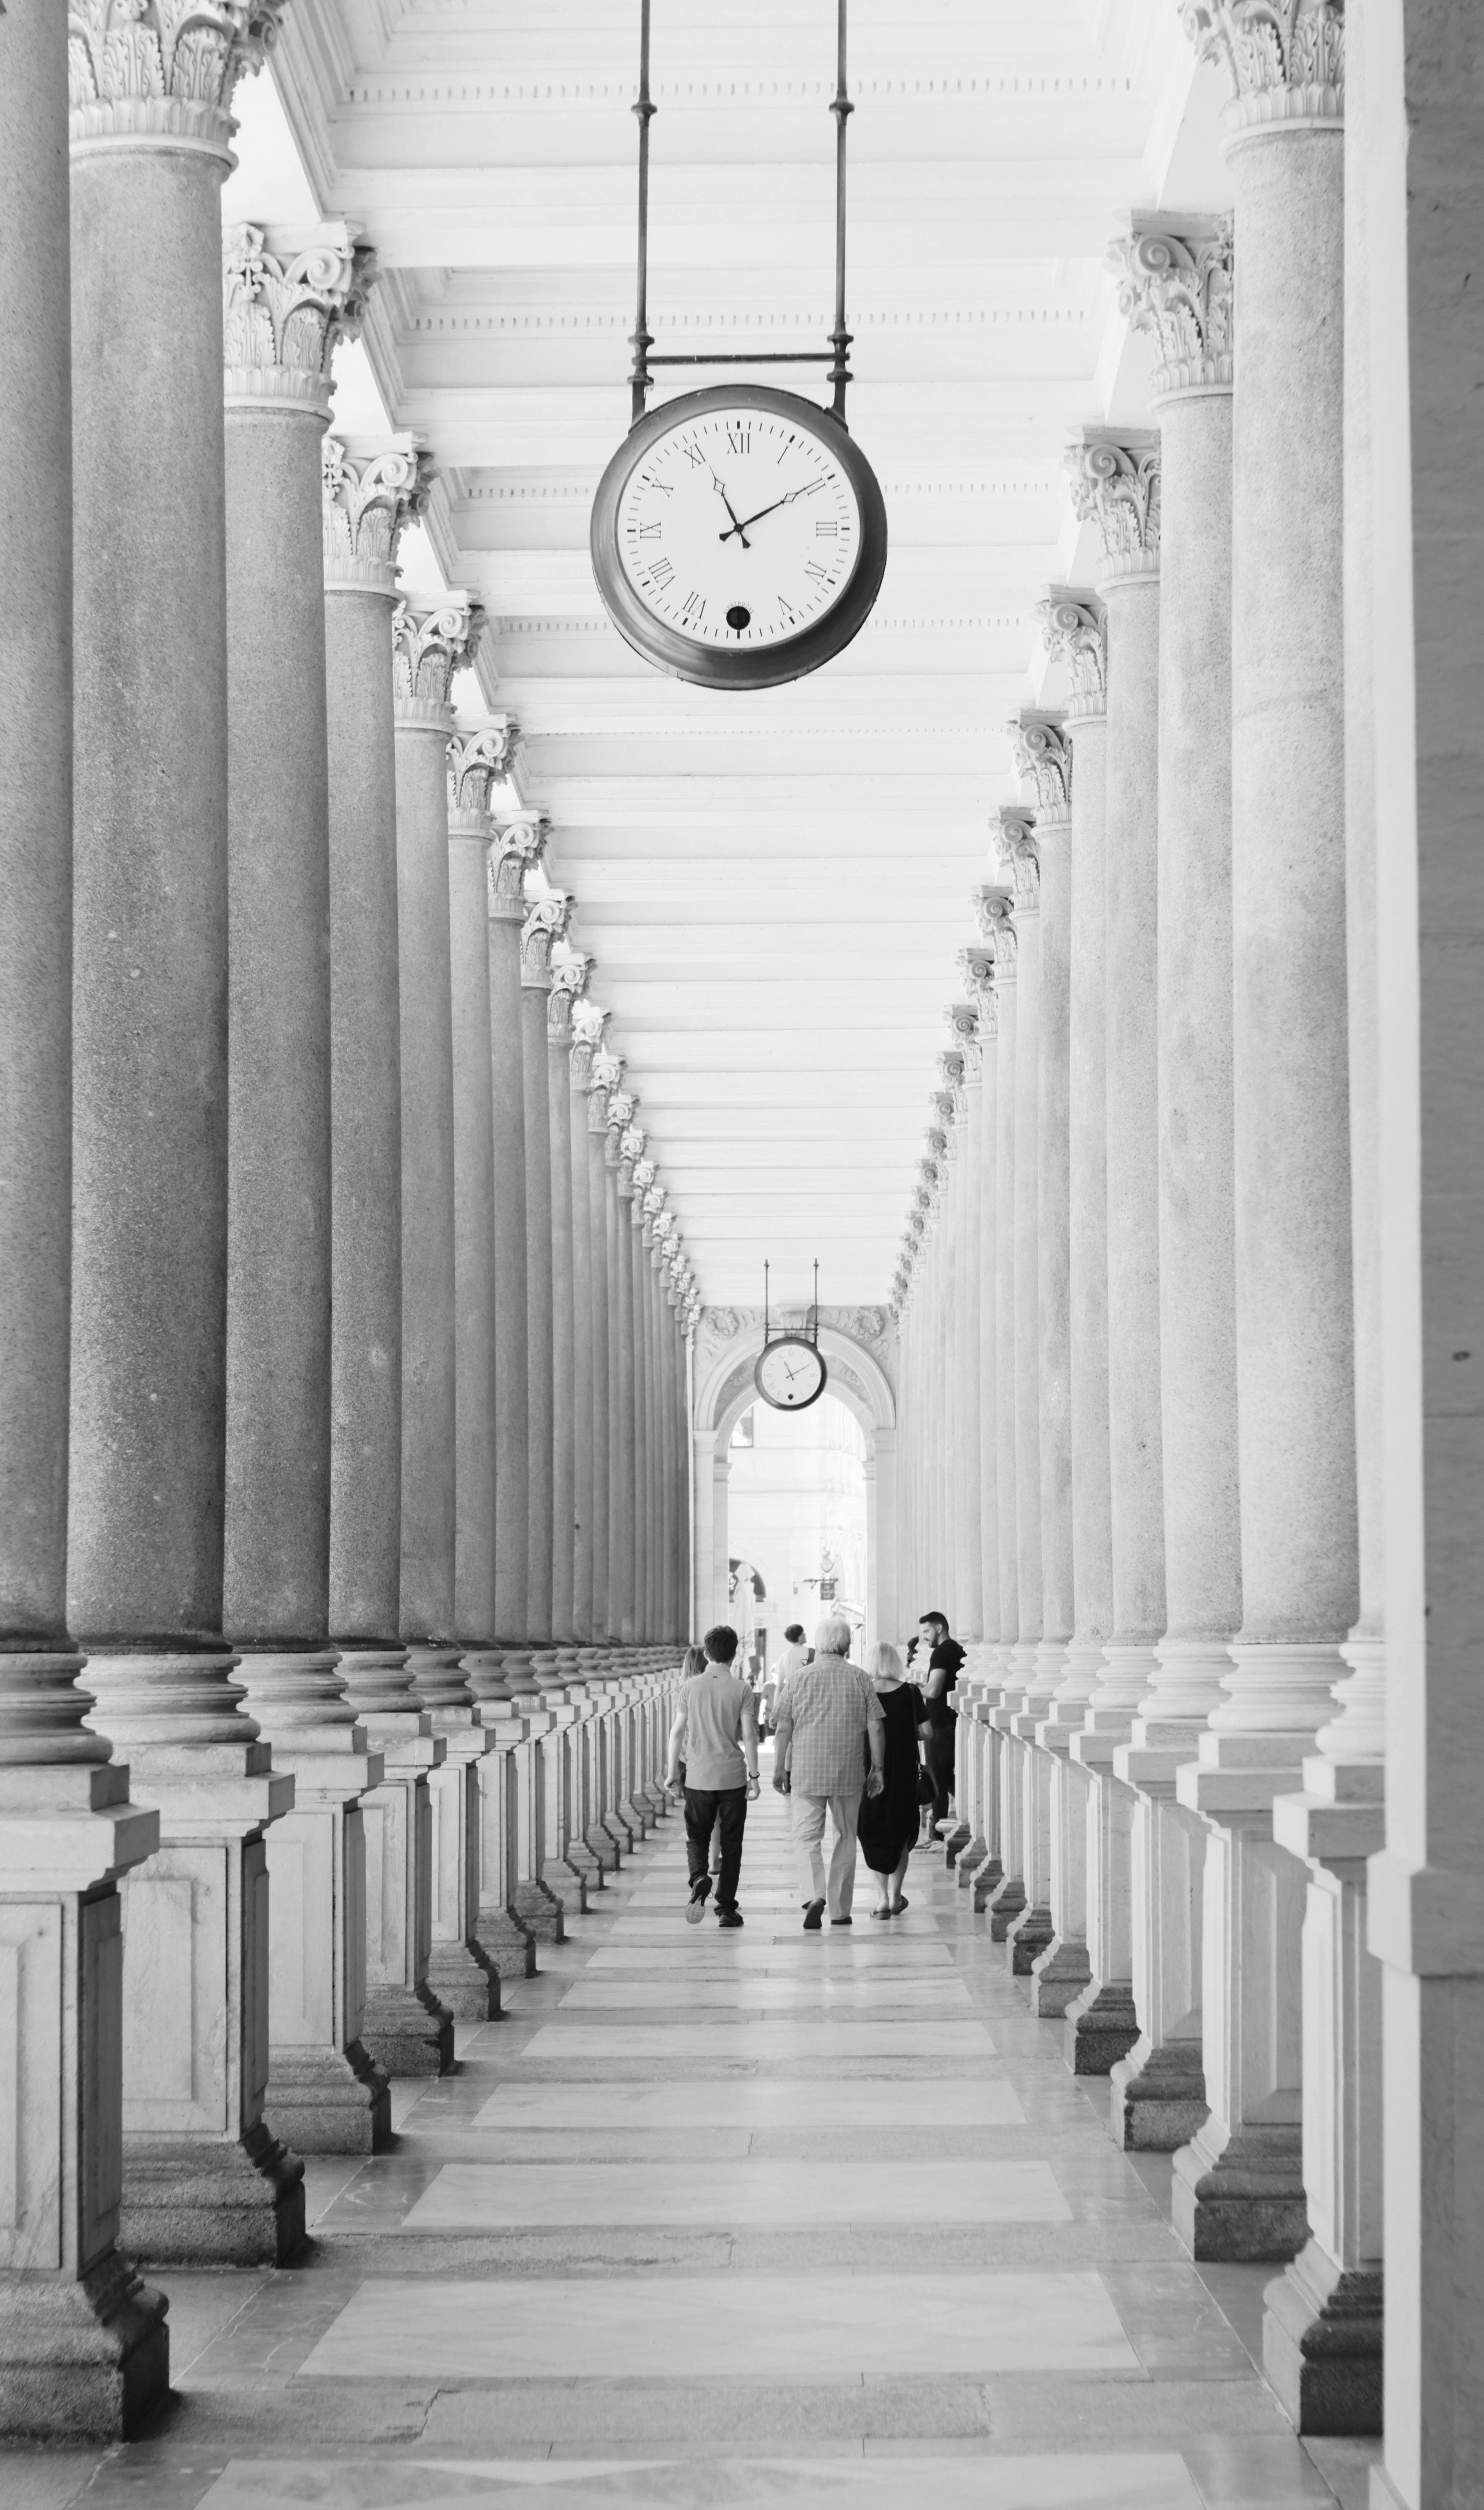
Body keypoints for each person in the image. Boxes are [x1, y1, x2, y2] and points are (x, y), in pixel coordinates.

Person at [772, 1615, 885, 1929]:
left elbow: (783, 1727)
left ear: (818, 1645)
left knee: (806, 1836)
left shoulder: (799, 1678)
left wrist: (780, 1767)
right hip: (849, 1772)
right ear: (847, 1646)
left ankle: (813, 1895)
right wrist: (878, 1768)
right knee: (846, 1836)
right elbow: (875, 1727)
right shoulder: (861, 1678)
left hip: (807, 1772)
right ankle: (839, 1910)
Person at [666, 1624, 759, 1927]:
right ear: (734, 1655)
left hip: (698, 1776)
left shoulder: (690, 1688)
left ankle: (699, 1877)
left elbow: (677, 1731)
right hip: (732, 1776)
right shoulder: (742, 1689)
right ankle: (726, 1909)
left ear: (706, 1654)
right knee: (732, 1845)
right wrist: (754, 1776)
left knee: (697, 1836)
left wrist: (671, 1773)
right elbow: (748, 1734)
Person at [856, 1641, 925, 1918]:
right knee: (900, 1828)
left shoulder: (863, 1691)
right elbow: (927, 1731)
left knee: (872, 1828)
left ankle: (882, 1899)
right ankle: (896, 1897)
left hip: (869, 1768)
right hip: (904, 1770)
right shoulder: (910, 1692)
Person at [906, 1609, 965, 1843]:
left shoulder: (941, 1653)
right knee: (948, 1779)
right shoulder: (957, 1650)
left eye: (927, 1631)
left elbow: (933, 1690)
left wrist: (910, 1691)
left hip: (940, 1725)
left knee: (938, 1781)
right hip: (951, 1723)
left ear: (939, 1628)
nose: (925, 1638)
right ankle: (956, 1821)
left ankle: (938, 1839)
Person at [762, 1622, 810, 1734]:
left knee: (790, 1735)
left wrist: (775, 1712)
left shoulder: (783, 1657)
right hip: (808, 1699)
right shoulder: (812, 1653)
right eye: (804, 1633)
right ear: (801, 1636)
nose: (805, 1635)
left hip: (791, 1700)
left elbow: (779, 1687)